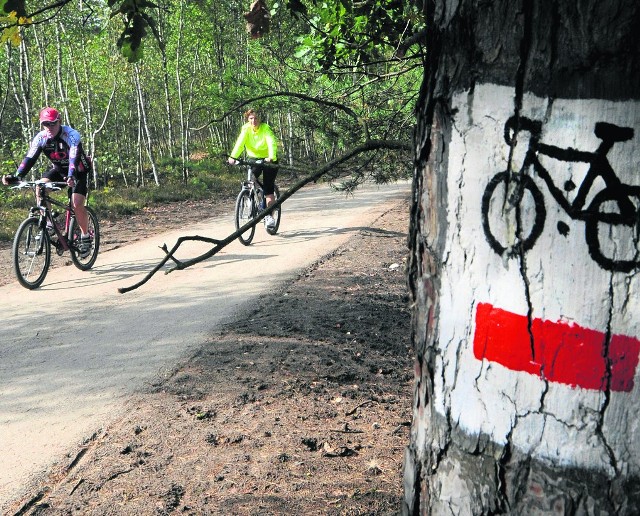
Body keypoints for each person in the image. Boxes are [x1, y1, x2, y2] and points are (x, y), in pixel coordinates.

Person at [2, 107, 93, 257]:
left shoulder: (71, 135)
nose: (49, 128)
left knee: (76, 204)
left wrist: (71, 175)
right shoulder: (41, 138)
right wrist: (17, 176)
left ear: (59, 121)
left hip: (78, 170)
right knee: (40, 186)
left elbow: (73, 157)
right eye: (45, 124)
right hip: (58, 170)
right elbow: (29, 158)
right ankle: (49, 223)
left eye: (52, 124)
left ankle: (85, 237)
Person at [227, 108, 279, 229]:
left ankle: (270, 216)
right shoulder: (245, 129)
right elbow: (240, 143)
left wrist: (271, 156)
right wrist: (233, 157)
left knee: (268, 189)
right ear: (247, 119)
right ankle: (251, 197)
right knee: (251, 180)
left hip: (268, 159)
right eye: (251, 118)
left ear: (259, 119)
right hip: (254, 159)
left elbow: (271, 142)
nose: (253, 121)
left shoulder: (265, 128)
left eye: (256, 118)